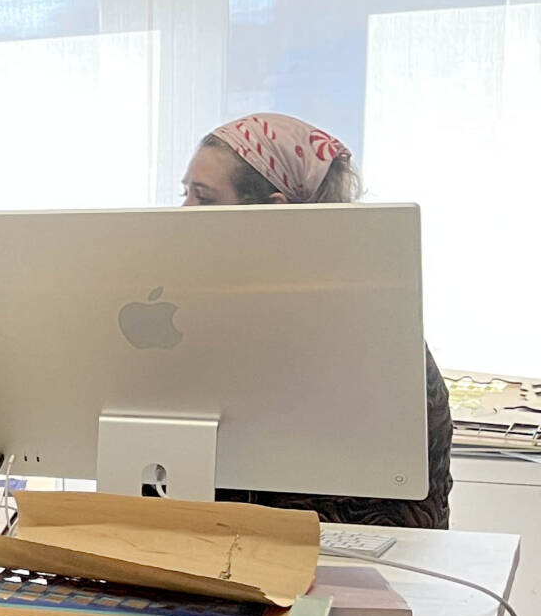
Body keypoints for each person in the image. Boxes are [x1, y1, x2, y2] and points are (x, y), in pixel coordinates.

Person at [183, 113, 452, 528]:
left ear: (272, 212)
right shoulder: (214, 317)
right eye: (185, 193)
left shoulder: (364, 331)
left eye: (204, 199)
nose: (184, 212)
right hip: (230, 549)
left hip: (349, 554)